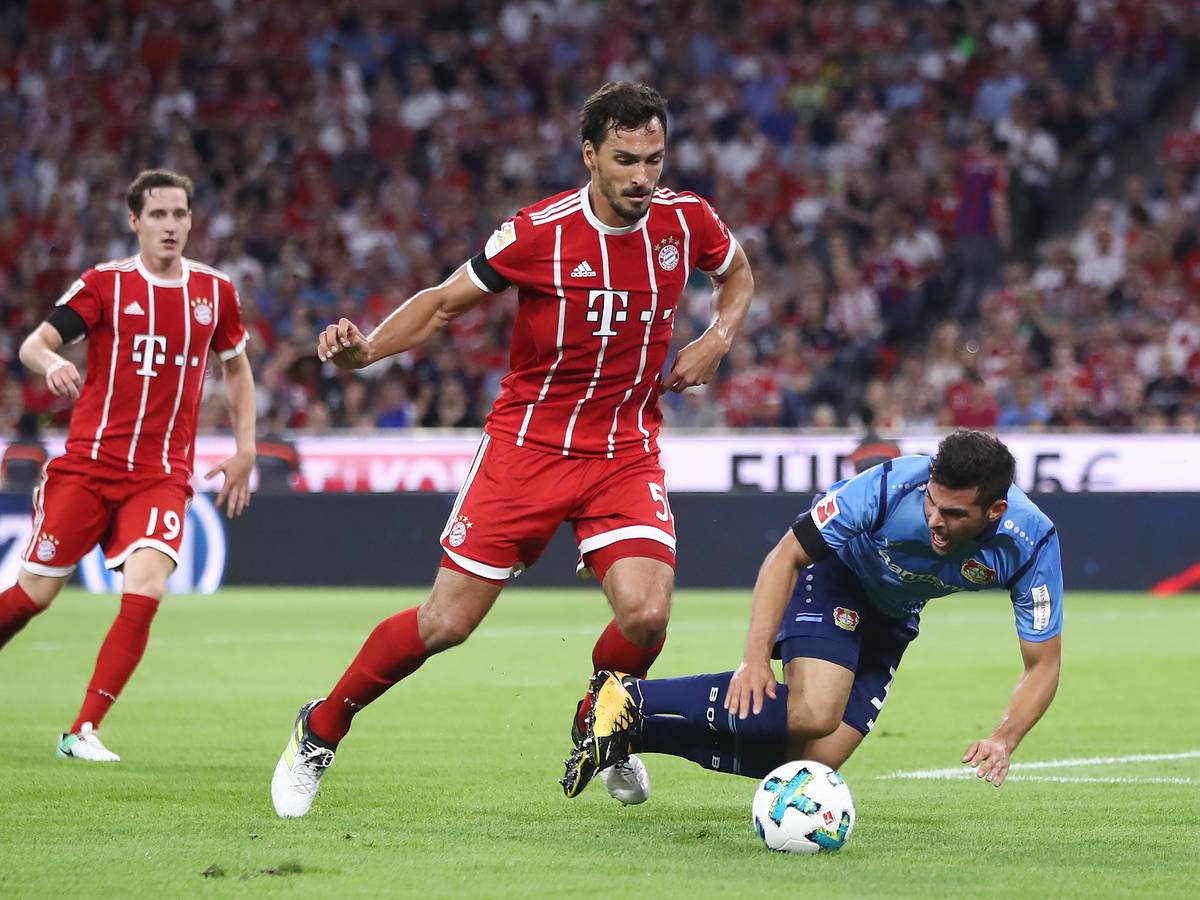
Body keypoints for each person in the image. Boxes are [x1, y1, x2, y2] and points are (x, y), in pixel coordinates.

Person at [271, 81, 755, 817]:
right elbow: (442, 305)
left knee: (647, 615)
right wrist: (366, 353)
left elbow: (737, 275)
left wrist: (717, 337)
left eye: (653, 160)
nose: (641, 177)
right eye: (625, 160)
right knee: (446, 623)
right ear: (590, 155)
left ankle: (604, 723)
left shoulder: (685, 221)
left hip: (624, 450)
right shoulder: (537, 233)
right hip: (526, 451)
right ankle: (320, 727)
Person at [566, 430, 1062, 795]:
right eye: (932, 503)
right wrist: (754, 658)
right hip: (836, 574)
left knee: (812, 764)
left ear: (995, 511)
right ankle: (628, 694)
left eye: (955, 515)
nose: (935, 520)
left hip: (894, 615)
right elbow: (785, 555)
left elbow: (1043, 664)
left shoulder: (1031, 544)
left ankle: (631, 730)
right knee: (814, 711)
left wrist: (1004, 739)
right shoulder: (888, 487)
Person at [0, 169, 256, 761]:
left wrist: (245, 449)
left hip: (161, 475)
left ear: (191, 221)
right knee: (34, 595)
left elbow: (237, 369)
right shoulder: (105, 285)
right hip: (89, 469)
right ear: (134, 221)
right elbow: (35, 344)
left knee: (147, 589)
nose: (170, 225)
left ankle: (82, 730)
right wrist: (52, 364)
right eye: (158, 214)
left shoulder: (215, 292)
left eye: (180, 214)